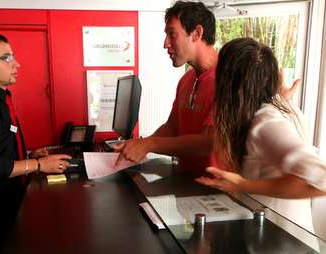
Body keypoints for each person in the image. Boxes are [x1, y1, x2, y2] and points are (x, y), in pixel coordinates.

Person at [0, 32, 72, 253]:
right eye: (6, 58)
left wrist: (29, 156)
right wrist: (38, 166)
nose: (16, 63)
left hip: (9, 202)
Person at [197, 37, 326, 232]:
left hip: (280, 242)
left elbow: (321, 179)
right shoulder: (277, 109)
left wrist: (243, 185)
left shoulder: (265, 124)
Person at [115, 1, 218, 173]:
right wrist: (139, 145)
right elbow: (172, 126)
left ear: (196, 34)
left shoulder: (228, 79)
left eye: (172, 34)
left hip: (217, 192)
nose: (166, 44)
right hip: (186, 183)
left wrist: (149, 144)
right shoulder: (186, 80)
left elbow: (209, 142)